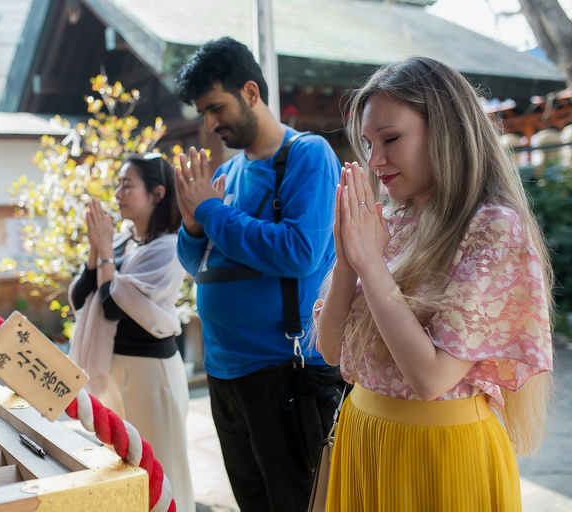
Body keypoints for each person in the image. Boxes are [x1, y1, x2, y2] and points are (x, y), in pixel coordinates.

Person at [314, 56, 554, 511]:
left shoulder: (492, 226)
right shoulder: (386, 217)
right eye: (368, 143)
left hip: (439, 451)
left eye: (391, 139)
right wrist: (347, 261)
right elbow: (329, 352)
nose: (375, 160)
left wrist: (370, 264)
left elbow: (430, 378)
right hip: (362, 432)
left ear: (445, 130)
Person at [173, 37, 343, 512]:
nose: (210, 123)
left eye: (216, 107)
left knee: (296, 503)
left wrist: (210, 211)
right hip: (224, 372)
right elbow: (197, 265)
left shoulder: (307, 155)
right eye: (203, 113)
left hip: (282, 371)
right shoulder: (229, 173)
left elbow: (300, 252)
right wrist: (193, 225)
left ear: (250, 92)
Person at [68, 153, 195, 512]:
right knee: (124, 470)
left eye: (128, 184)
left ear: (156, 193)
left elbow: (111, 305)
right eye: (118, 184)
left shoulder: (167, 248)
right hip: (115, 370)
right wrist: (98, 250)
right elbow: (81, 297)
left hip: (151, 374)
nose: (119, 192)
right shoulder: (124, 243)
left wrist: (105, 250)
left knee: (162, 470)